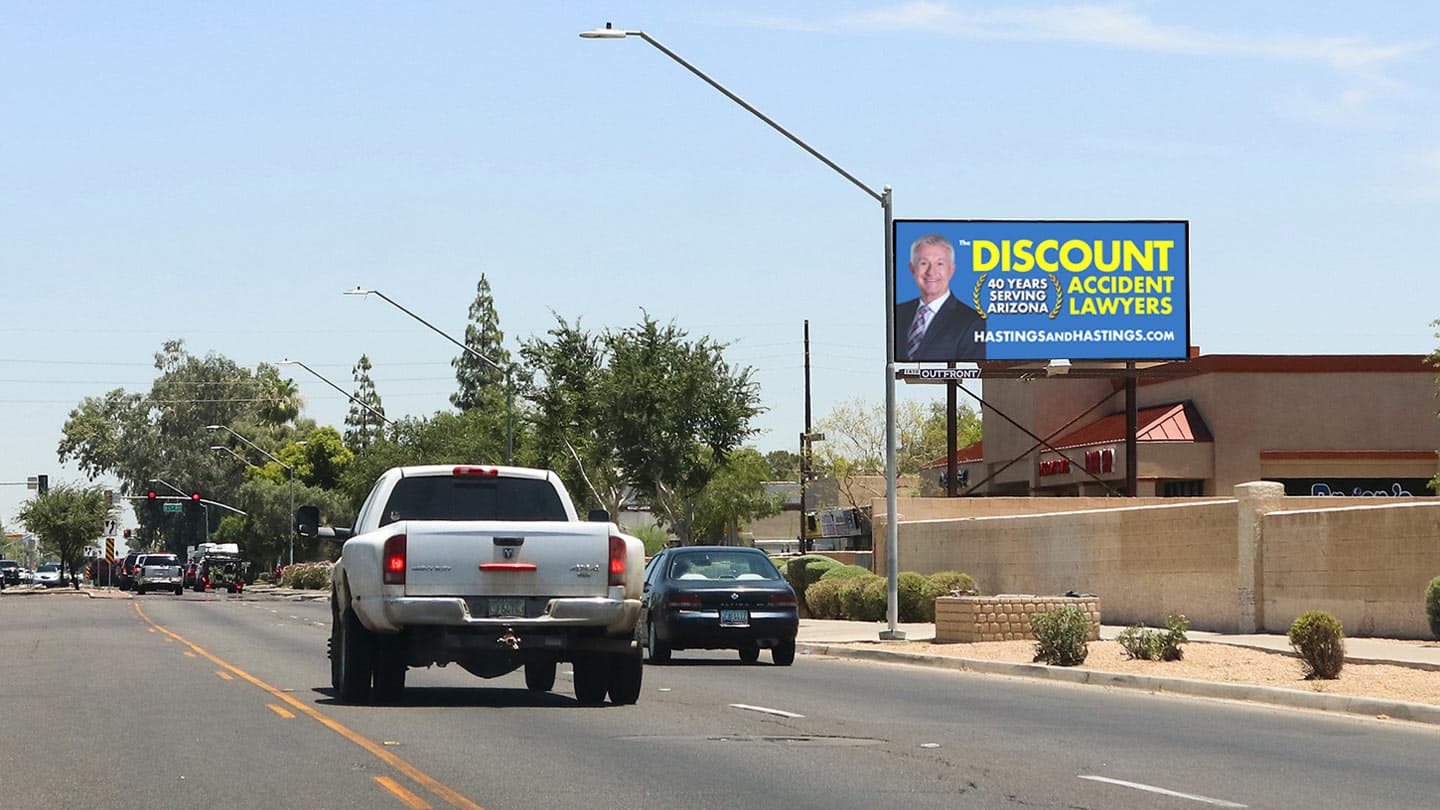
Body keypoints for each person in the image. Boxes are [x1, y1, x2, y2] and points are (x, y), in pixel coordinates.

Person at [894, 233, 985, 362]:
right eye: (924, 263)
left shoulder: (971, 321)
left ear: (952, 270)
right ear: (912, 268)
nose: (931, 272)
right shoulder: (897, 313)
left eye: (940, 264)